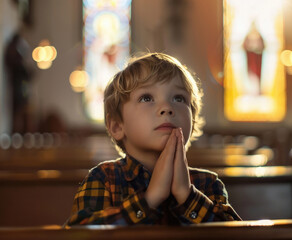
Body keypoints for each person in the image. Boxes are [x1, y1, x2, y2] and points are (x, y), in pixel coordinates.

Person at [66, 53, 241, 226]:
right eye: (147, 98)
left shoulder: (208, 184)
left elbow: (235, 234)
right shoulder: (104, 178)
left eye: (179, 98)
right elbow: (81, 232)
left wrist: (187, 195)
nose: (167, 108)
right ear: (118, 126)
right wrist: (150, 199)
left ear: (192, 122)